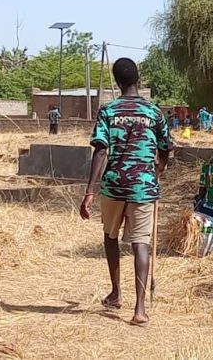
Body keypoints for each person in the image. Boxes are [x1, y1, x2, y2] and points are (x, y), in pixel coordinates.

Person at [79, 57, 172, 328]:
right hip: (143, 186)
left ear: (117, 81)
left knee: (111, 236)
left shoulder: (108, 111)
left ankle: (116, 292)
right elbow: (166, 146)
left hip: (113, 186)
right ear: (138, 79)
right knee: (141, 243)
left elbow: (100, 150)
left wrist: (89, 192)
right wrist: (160, 166)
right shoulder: (154, 112)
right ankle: (140, 309)